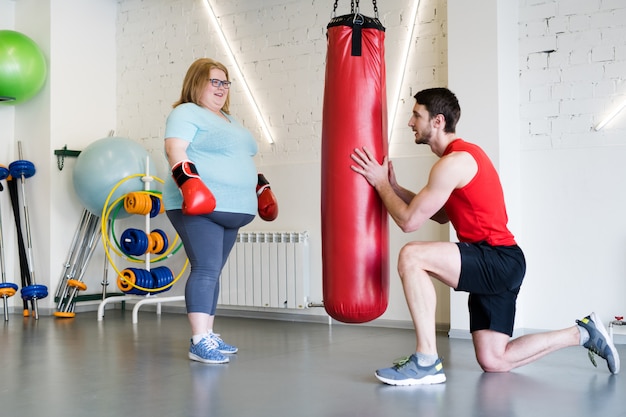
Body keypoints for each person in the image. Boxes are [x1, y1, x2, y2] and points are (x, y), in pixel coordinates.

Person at [350, 87, 620, 385]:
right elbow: (439, 214)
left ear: (437, 121)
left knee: (411, 255)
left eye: (416, 115)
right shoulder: (459, 159)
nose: (410, 123)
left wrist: (379, 184)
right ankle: (584, 332)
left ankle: (426, 360)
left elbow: (409, 221)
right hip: (503, 260)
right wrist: (395, 187)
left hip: (496, 259)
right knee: (494, 359)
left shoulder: (453, 163)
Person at [163, 58, 258, 364]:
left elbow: (242, 157)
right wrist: (190, 185)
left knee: (213, 271)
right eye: (213, 81)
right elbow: (174, 149)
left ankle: (209, 333)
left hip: (233, 208)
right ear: (197, 83)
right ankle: (198, 340)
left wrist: (262, 187)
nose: (221, 88)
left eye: (224, 82)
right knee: (204, 268)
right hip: (199, 206)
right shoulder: (186, 112)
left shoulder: (230, 120)